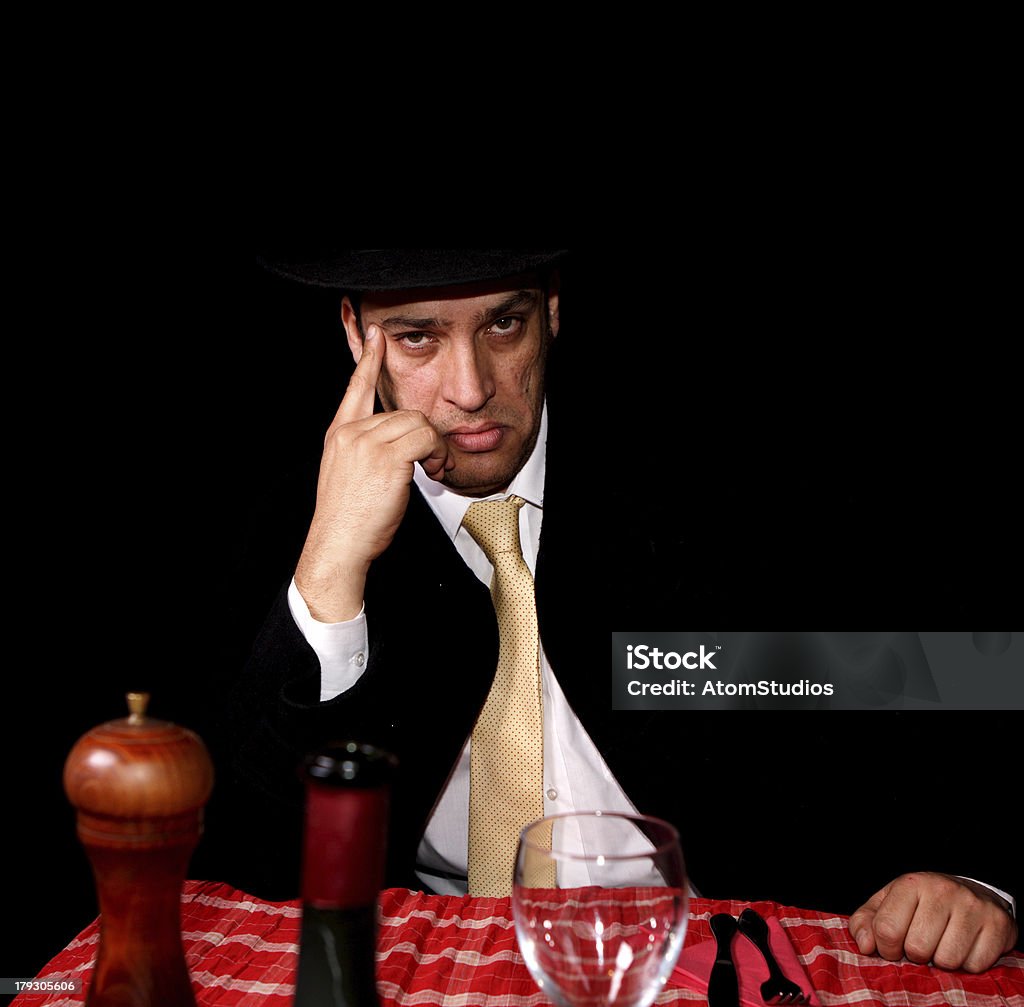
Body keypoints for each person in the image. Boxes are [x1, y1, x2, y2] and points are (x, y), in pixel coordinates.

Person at [220, 248, 1017, 974]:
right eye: (418, 338)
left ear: (553, 307)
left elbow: (947, 684)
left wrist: (977, 877)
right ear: (356, 334)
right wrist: (330, 574)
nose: (469, 387)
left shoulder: (723, 483)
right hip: (426, 967)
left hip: (718, 962)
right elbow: (247, 868)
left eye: (504, 323)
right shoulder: (294, 520)